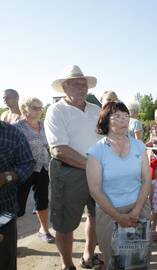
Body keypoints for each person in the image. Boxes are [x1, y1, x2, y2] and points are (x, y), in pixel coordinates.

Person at [44, 65, 103, 270]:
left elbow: (107, 141)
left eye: (84, 83)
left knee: (96, 215)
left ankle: (88, 255)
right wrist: (92, 166)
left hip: (96, 171)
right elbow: (58, 150)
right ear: (65, 86)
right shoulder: (55, 111)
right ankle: (67, 265)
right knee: (65, 223)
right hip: (68, 173)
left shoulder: (96, 110)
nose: (82, 87)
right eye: (76, 83)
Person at [86, 102, 152, 267]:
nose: (124, 121)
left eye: (126, 116)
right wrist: (118, 217)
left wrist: (136, 211)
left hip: (139, 210)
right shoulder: (96, 151)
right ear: (106, 120)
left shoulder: (139, 146)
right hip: (109, 214)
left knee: (139, 261)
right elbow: (95, 189)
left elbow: (146, 180)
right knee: (113, 262)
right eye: (118, 116)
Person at [13, 97, 54, 243]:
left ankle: (44, 230)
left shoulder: (44, 126)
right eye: (35, 107)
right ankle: (12, 239)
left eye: (40, 107)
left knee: (42, 200)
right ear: (24, 109)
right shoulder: (16, 127)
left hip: (42, 168)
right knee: (17, 205)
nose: (39, 110)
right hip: (23, 169)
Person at [0, 120, 34, 270]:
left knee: (5, 259)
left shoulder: (11, 133)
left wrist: (6, 177)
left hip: (4, 211)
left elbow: (27, 163)